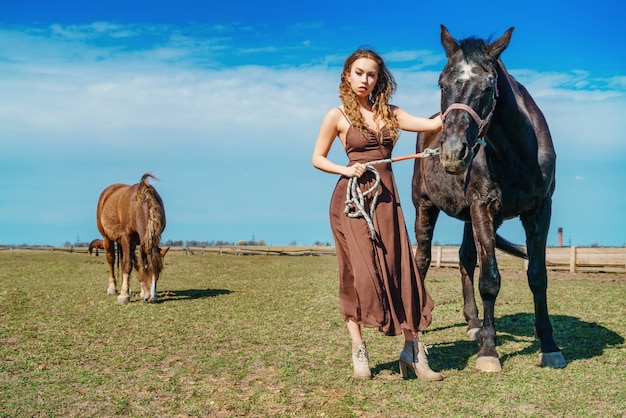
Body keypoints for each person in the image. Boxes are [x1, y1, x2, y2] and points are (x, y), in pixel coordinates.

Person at [312, 48, 443, 380]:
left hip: (387, 202)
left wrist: (459, 102)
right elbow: (317, 158)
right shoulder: (337, 115)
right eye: (358, 73)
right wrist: (346, 168)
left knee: (403, 268)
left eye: (370, 74)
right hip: (352, 204)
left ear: (378, 79)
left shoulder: (391, 113)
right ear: (347, 75)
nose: (364, 79)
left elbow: (433, 124)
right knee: (360, 273)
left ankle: (413, 350)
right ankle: (358, 348)